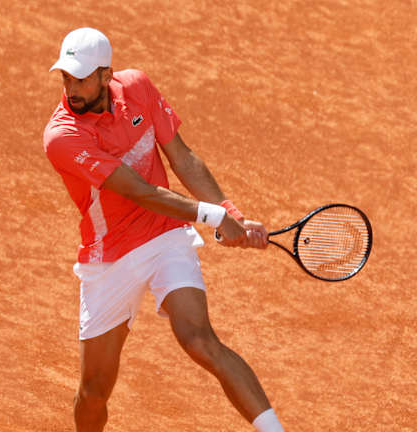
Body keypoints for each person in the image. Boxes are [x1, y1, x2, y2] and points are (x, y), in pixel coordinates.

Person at [42, 28, 284, 432]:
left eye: (81, 78)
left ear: (106, 74)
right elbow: (139, 192)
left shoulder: (138, 87)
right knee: (94, 391)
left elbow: (183, 159)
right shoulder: (62, 136)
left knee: (199, 340)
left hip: (165, 236)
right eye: (66, 77)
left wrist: (230, 212)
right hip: (110, 256)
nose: (72, 88)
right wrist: (212, 217)